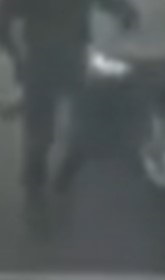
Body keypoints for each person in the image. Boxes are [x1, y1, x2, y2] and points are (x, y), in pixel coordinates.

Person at [0, 0, 138, 206]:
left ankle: (36, 187)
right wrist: (126, 14)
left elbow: (4, 22)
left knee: (40, 131)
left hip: (43, 61)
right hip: (69, 59)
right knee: (80, 123)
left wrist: (17, 58)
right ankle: (60, 178)